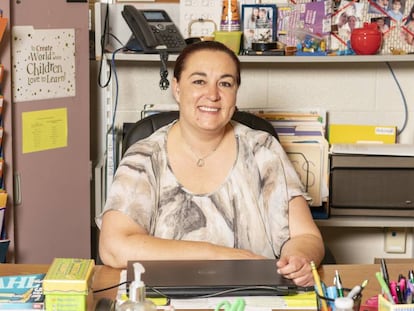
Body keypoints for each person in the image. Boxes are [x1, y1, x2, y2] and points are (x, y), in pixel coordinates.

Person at [97, 41, 325, 287]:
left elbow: (306, 236)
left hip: (255, 295)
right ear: (176, 88)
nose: (213, 94)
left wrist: (300, 258)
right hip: (166, 299)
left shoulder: (263, 150)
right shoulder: (145, 157)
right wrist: (222, 256)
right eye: (199, 81)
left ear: (235, 93)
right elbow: (113, 247)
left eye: (225, 83)